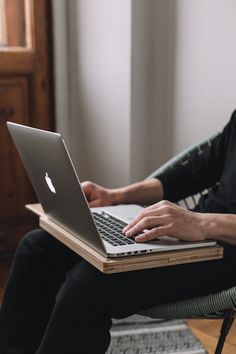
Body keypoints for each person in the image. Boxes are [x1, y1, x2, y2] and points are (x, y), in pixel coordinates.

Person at [0, 110, 236, 354]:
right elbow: (194, 172)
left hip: (225, 251)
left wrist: (201, 223)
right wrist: (114, 196)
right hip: (193, 233)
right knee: (37, 246)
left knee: (88, 285)